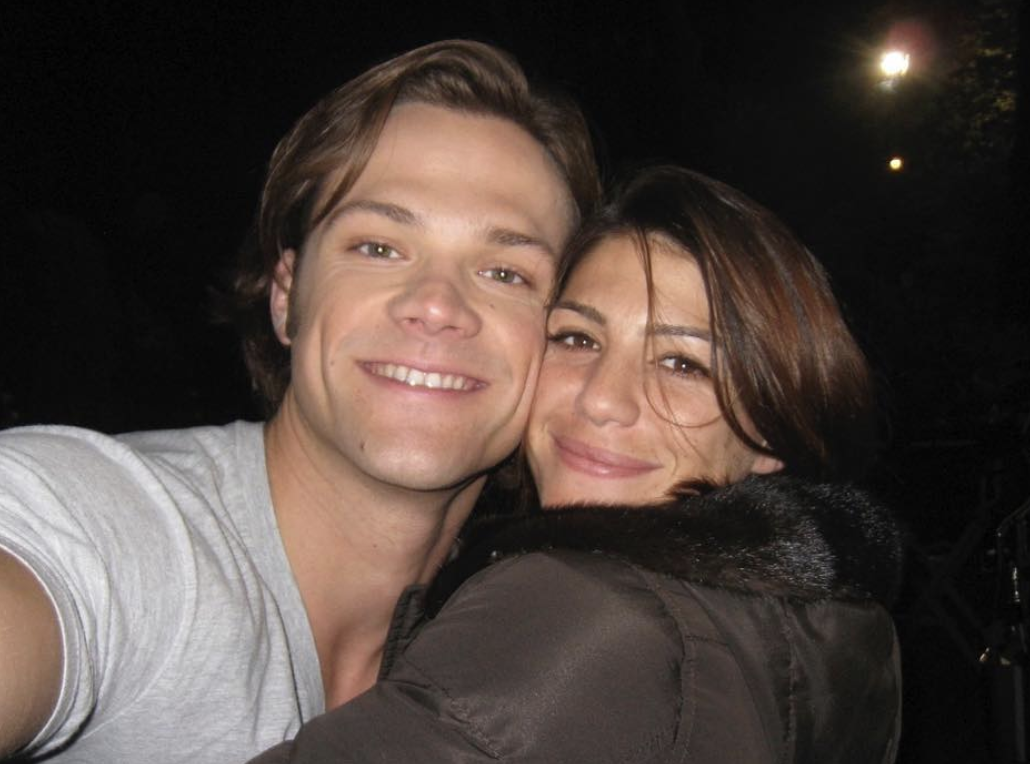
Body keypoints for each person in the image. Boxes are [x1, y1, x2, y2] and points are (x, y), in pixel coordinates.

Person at [0, 40, 599, 764]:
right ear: (286, 297)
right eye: (378, 247)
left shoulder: (530, 642)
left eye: (506, 273)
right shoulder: (134, 533)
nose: (436, 305)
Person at [249, 165, 903, 763]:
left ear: (769, 434)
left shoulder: (582, 612)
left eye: (683, 364)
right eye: (577, 338)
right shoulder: (826, 627)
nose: (601, 400)